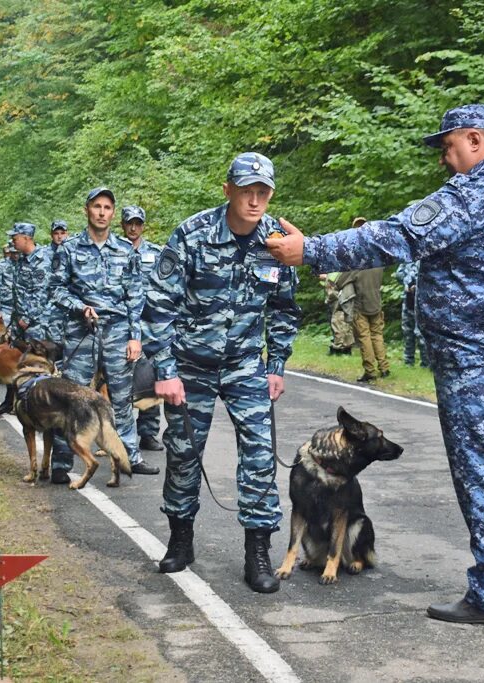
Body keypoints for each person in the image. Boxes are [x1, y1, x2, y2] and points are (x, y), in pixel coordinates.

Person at [266, 104, 484, 624]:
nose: (445, 160)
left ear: (475, 139)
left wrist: (309, 250)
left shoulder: (477, 193)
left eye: (448, 146)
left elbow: (395, 236)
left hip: (480, 357)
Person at [142, 152, 301, 594]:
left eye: (263, 192)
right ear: (228, 189)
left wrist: (277, 364)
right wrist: (166, 370)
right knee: (183, 453)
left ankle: (257, 552)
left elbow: (285, 309)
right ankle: (180, 538)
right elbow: (159, 307)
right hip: (189, 366)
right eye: (247, 190)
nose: (255, 200)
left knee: (258, 457)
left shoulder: (276, 243)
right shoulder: (192, 235)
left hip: (246, 366)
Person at [51, 187, 157, 483]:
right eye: (96, 206)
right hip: (81, 330)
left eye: (107, 207)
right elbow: (56, 290)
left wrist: (135, 337)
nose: (101, 212)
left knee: (122, 397)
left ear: (113, 213)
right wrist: (78, 306)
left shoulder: (125, 250)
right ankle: (61, 462)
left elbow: (135, 296)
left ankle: (130, 457)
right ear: (87, 210)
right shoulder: (69, 249)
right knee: (72, 397)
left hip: (117, 331)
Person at [121, 204, 165, 453]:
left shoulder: (156, 254)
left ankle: (148, 433)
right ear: (123, 225)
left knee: (149, 380)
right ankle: (118, 433)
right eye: (129, 223)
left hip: (150, 328)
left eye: (138, 223)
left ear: (143, 225)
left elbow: (166, 289)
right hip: (122, 326)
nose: (133, 227)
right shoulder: (113, 252)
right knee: (119, 381)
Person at [335, 218, 389, 382]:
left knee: (364, 337)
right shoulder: (378, 256)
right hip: (376, 302)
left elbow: (339, 281)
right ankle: (384, 368)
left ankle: (370, 371)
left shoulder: (357, 258)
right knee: (377, 335)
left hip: (361, 304)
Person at [0, 223, 49, 342]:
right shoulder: (21, 259)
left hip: (33, 324)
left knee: (32, 359)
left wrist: (27, 319)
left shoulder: (40, 261)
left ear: (26, 238)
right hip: (18, 320)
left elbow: (41, 294)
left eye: (15, 238)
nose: (12, 241)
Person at [36, 219, 69, 347]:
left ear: (67, 234)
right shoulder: (43, 254)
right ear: (51, 235)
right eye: (56, 233)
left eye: (62, 233)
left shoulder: (72, 252)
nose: (60, 236)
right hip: (47, 308)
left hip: (66, 307)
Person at [395, 260, 429, 367]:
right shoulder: (406, 261)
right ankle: (408, 361)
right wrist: (408, 281)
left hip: (420, 302)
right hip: (408, 300)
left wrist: (415, 283)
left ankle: (426, 363)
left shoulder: (424, 261)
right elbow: (398, 274)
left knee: (420, 333)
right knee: (407, 331)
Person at [321, 271, 355, 355]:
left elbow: (331, 294)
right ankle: (347, 346)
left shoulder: (332, 274)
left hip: (338, 299)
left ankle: (338, 348)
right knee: (347, 321)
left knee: (337, 321)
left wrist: (328, 300)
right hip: (348, 295)